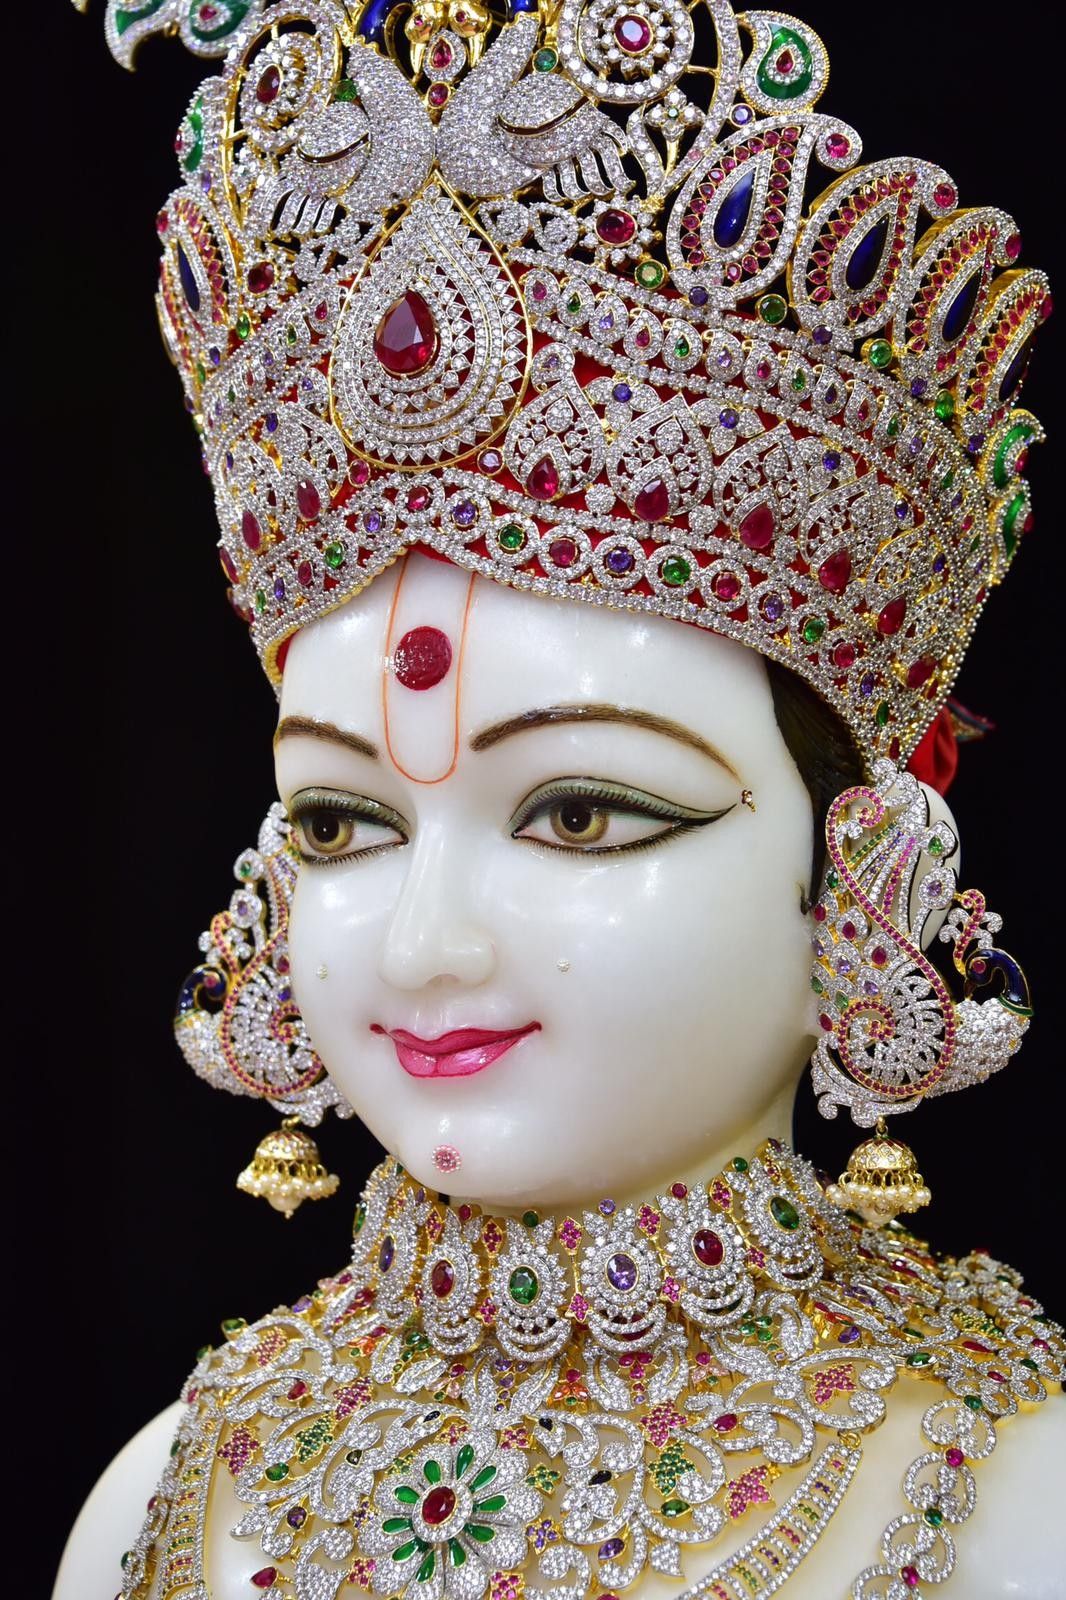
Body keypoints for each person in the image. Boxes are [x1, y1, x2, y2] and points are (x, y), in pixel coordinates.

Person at [55, 0, 1063, 1595]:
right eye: (338, 824)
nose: (423, 946)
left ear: (862, 874)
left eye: (580, 814)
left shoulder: (1010, 1505)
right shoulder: (163, 1494)